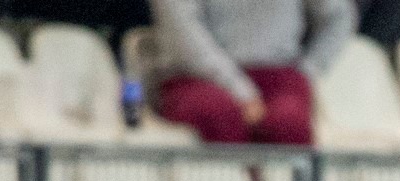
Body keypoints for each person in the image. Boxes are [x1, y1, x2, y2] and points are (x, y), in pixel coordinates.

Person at [147, 0, 353, 147]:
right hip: (196, 76)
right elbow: (183, 35)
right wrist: (241, 91)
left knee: (289, 123)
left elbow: (339, 15)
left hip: (278, 75)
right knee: (217, 114)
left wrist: (306, 72)